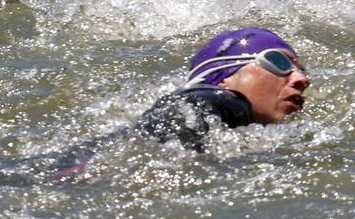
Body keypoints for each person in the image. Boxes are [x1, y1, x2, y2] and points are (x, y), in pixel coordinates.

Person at [133, 27, 312, 151]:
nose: (302, 80)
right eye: (278, 61)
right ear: (223, 78)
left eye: (301, 71)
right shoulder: (216, 100)